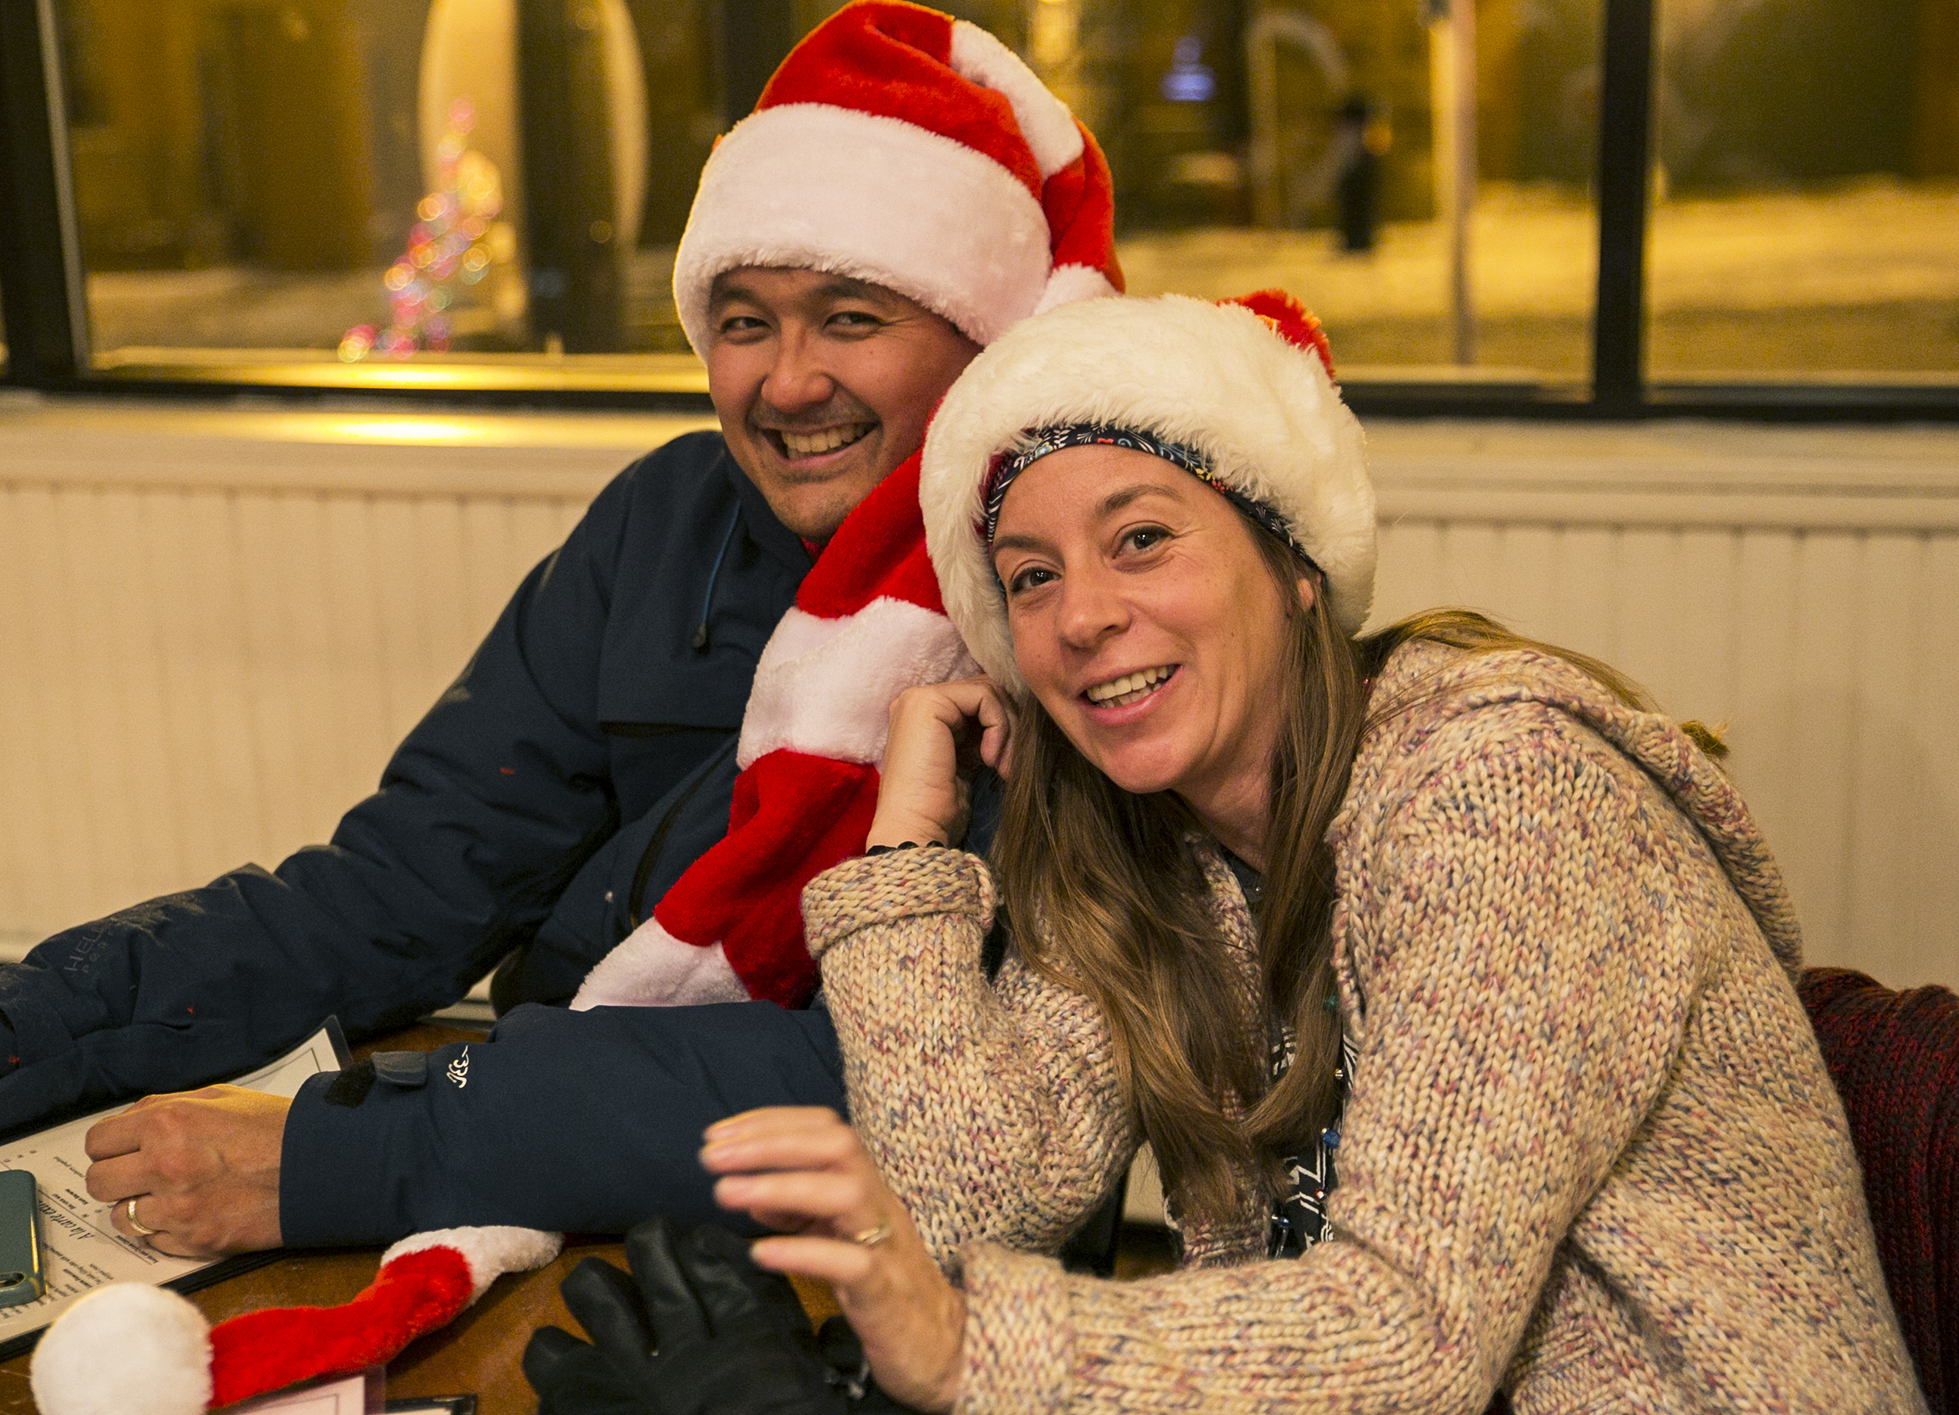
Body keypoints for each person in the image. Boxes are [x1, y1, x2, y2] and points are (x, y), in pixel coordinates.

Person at [0, 0, 1123, 1257]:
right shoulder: (666, 520)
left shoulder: (1062, 588)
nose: (787, 383)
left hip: (913, 1272)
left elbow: (910, 1093)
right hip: (559, 1178)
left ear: (982, 337)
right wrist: (9, 1035)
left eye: (850, 317)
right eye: (744, 320)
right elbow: (407, 882)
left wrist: (361, 1149)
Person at [687, 291, 1925, 1411]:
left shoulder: (1503, 789)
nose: (1082, 615)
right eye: (1028, 577)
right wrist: (904, 850)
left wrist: (967, 1349)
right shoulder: (1153, 853)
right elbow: (969, 1206)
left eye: (1140, 539)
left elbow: (1413, 1333)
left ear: (1291, 562)